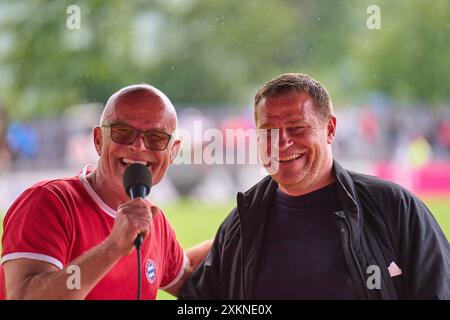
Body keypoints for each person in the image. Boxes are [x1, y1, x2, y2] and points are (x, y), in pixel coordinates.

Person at [180, 73, 450, 300]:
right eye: (268, 132)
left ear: (330, 129)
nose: (281, 142)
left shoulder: (394, 208)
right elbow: (195, 288)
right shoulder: (241, 223)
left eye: (297, 128)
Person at [0, 84, 211, 299]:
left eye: (156, 137)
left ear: (173, 152)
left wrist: (241, 220)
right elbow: (25, 296)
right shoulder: (49, 201)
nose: (138, 146)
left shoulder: (152, 222)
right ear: (99, 140)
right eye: (123, 132)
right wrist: (112, 248)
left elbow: (190, 274)